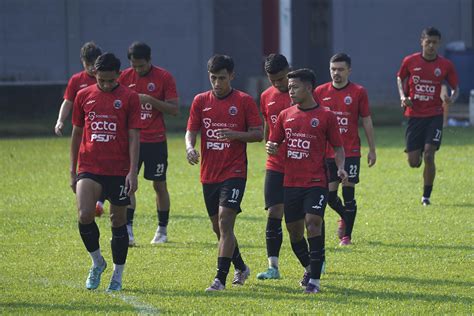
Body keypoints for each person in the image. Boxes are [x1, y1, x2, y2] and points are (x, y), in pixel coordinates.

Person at [185, 54, 263, 291]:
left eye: (221, 78)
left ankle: (219, 279)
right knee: (218, 228)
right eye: (213, 78)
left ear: (232, 76)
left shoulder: (244, 101)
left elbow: (259, 133)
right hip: (209, 173)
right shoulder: (200, 101)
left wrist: (235, 134)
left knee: (225, 220)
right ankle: (241, 266)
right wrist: (190, 147)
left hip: (235, 171)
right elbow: (191, 130)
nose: (217, 83)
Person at [266, 68, 347, 294]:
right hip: (291, 182)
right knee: (294, 232)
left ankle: (315, 281)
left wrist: (340, 167)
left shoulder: (326, 116)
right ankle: (311, 268)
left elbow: (339, 148)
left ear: (309, 88)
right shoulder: (285, 115)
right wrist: (271, 147)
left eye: (295, 87)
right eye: (289, 87)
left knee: (313, 222)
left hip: (316, 181)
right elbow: (273, 143)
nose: (290, 91)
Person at [70, 53, 141, 291]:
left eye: (111, 81)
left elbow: (133, 136)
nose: (106, 85)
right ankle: (97, 262)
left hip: (118, 170)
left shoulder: (130, 98)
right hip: (89, 166)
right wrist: (72, 170)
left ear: (119, 76)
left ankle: (117, 275)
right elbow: (77, 133)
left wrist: (132, 171)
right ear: (95, 76)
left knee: (117, 220)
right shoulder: (83, 96)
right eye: (101, 80)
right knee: (84, 215)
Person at [116, 42, 179, 246]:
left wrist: (150, 100)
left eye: (141, 66)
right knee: (129, 185)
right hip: (131, 140)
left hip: (156, 141)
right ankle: (129, 230)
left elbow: (174, 109)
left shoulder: (164, 77)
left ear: (150, 60)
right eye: (134, 66)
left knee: (159, 185)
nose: (137, 70)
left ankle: (162, 230)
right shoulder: (124, 77)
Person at [315, 53, 376, 246]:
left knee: (348, 194)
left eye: (340, 69)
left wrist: (372, 149)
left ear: (349, 70)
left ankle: (346, 237)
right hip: (327, 153)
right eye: (333, 69)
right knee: (330, 196)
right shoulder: (320, 92)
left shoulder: (358, 92)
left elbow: (366, 120)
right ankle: (344, 216)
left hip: (350, 152)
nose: (336, 73)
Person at [396, 27, 459, 205]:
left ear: (438, 44)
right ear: (421, 41)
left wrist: (451, 98)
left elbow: (455, 87)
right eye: (428, 41)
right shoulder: (410, 61)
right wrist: (403, 97)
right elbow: (400, 78)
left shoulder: (445, 65)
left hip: (434, 115)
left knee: (430, 155)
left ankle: (426, 197)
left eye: (434, 42)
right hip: (414, 115)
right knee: (414, 162)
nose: (431, 45)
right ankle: (417, 151)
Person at [256, 54, 291, 280]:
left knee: (307, 218)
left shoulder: (303, 92)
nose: (278, 84)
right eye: (273, 80)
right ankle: (273, 267)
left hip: (301, 165)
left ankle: (318, 259)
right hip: (275, 164)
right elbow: (269, 128)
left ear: (289, 71)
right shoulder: (265, 96)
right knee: (274, 212)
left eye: (281, 79)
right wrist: (270, 145)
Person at [55, 42, 102, 136]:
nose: (91, 67)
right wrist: (60, 120)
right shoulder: (76, 80)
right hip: (83, 127)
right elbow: (68, 102)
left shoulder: (108, 77)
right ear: (82, 61)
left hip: (103, 124)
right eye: (88, 64)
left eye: (94, 63)